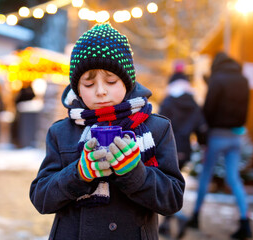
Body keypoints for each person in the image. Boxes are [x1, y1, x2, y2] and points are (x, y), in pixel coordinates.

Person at [29, 23, 185, 239]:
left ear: (127, 82)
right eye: (89, 84)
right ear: (77, 88)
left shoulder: (157, 128)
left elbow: (173, 200)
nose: (101, 91)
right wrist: (79, 174)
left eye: (111, 81)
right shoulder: (61, 132)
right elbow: (41, 198)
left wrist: (135, 173)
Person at [182, 52, 252, 240]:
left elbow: (208, 109)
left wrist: (203, 136)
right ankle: (245, 221)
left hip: (217, 136)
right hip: (236, 136)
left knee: (206, 175)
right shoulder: (242, 80)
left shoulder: (217, 78)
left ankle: (196, 216)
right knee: (234, 178)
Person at [158, 61, 207, 238]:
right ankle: (168, 221)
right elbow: (201, 126)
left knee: (166, 183)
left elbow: (159, 122)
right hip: (185, 148)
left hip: (168, 147)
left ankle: (176, 217)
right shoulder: (193, 102)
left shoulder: (169, 100)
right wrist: (203, 144)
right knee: (173, 184)